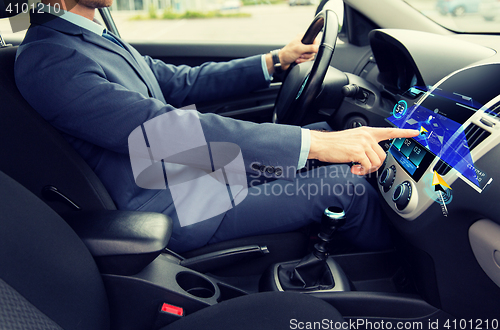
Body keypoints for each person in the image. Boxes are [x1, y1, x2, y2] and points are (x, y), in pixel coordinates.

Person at [14, 0, 419, 253]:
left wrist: (277, 60)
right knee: (344, 186)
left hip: (189, 175)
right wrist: (315, 145)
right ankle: (405, 279)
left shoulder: (90, 38)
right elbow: (160, 129)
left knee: (319, 136)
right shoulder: (50, 59)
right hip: (172, 203)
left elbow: (179, 82)